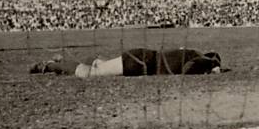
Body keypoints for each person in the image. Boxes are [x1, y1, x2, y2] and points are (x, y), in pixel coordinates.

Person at [30, 48, 222, 77]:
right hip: (141, 63)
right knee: (91, 74)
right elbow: (188, 70)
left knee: (98, 65)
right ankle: (49, 65)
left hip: (142, 57)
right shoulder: (202, 60)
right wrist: (208, 68)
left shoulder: (191, 51)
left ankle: (63, 61)